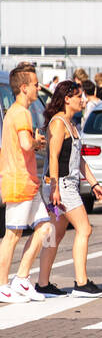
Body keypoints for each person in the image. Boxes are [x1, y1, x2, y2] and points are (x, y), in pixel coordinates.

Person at [35, 81, 102, 298]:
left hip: (64, 184)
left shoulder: (70, 123)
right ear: (67, 98)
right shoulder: (58, 123)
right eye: (79, 96)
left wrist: (94, 183)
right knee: (84, 229)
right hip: (61, 185)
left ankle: (43, 284)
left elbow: (79, 159)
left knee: (53, 236)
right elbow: (54, 158)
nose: (83, 100)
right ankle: (82, 283)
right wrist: (55, 188)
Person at [0, 65, 55, 302]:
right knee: (13, 234)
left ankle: (21, 279)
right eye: (34, 84)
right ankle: (2, 285)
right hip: (19, 179)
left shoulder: (16, 112)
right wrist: (36, 142)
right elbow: (24, 144)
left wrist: (34, 141)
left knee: (44, 227)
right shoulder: (21, 112)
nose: (38, 87)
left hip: (27, 180)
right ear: (24, 88)